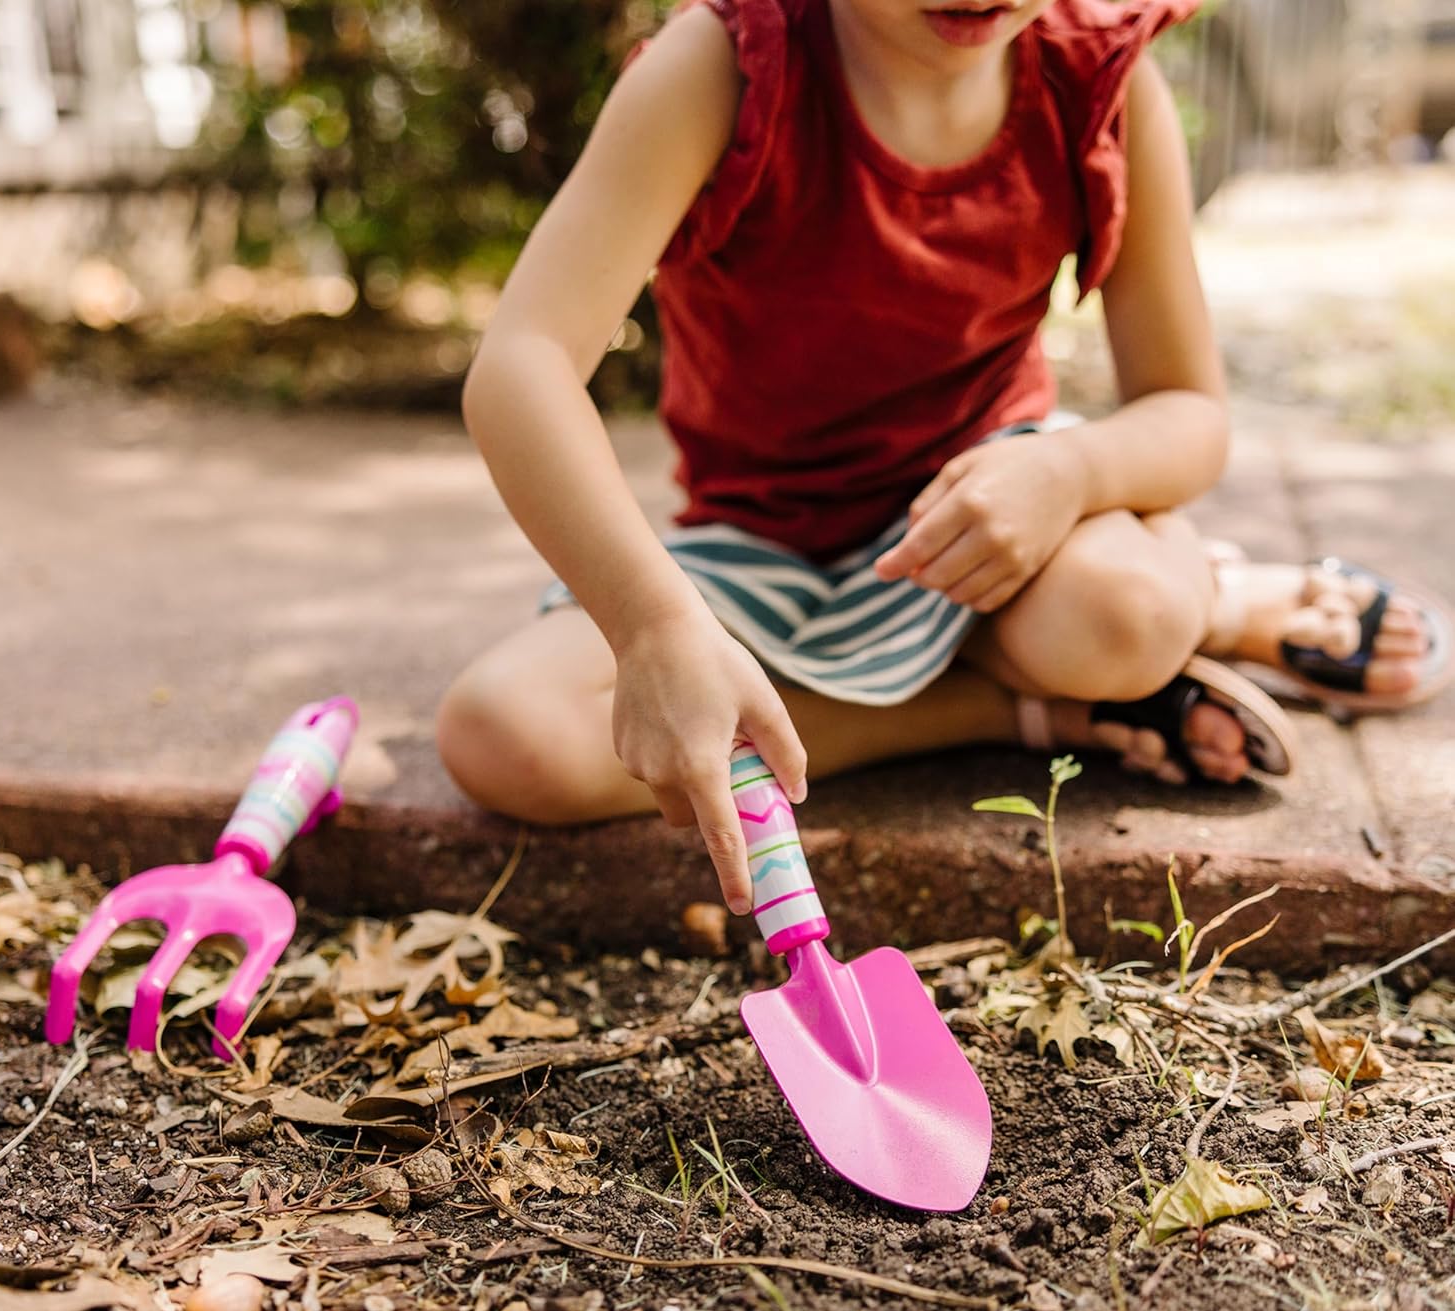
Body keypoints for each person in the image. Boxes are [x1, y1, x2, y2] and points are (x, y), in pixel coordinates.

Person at [439, 0, 1449, 916]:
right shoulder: (725, 66)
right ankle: (1037, 710)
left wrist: (1071, 475)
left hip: (996, 526)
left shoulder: (1098, 80)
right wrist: (655, 624)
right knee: (509, 733)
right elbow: (520, 364)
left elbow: (1188, 410)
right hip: (758, 553)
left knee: (1125, 616)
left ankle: (1218, 601)